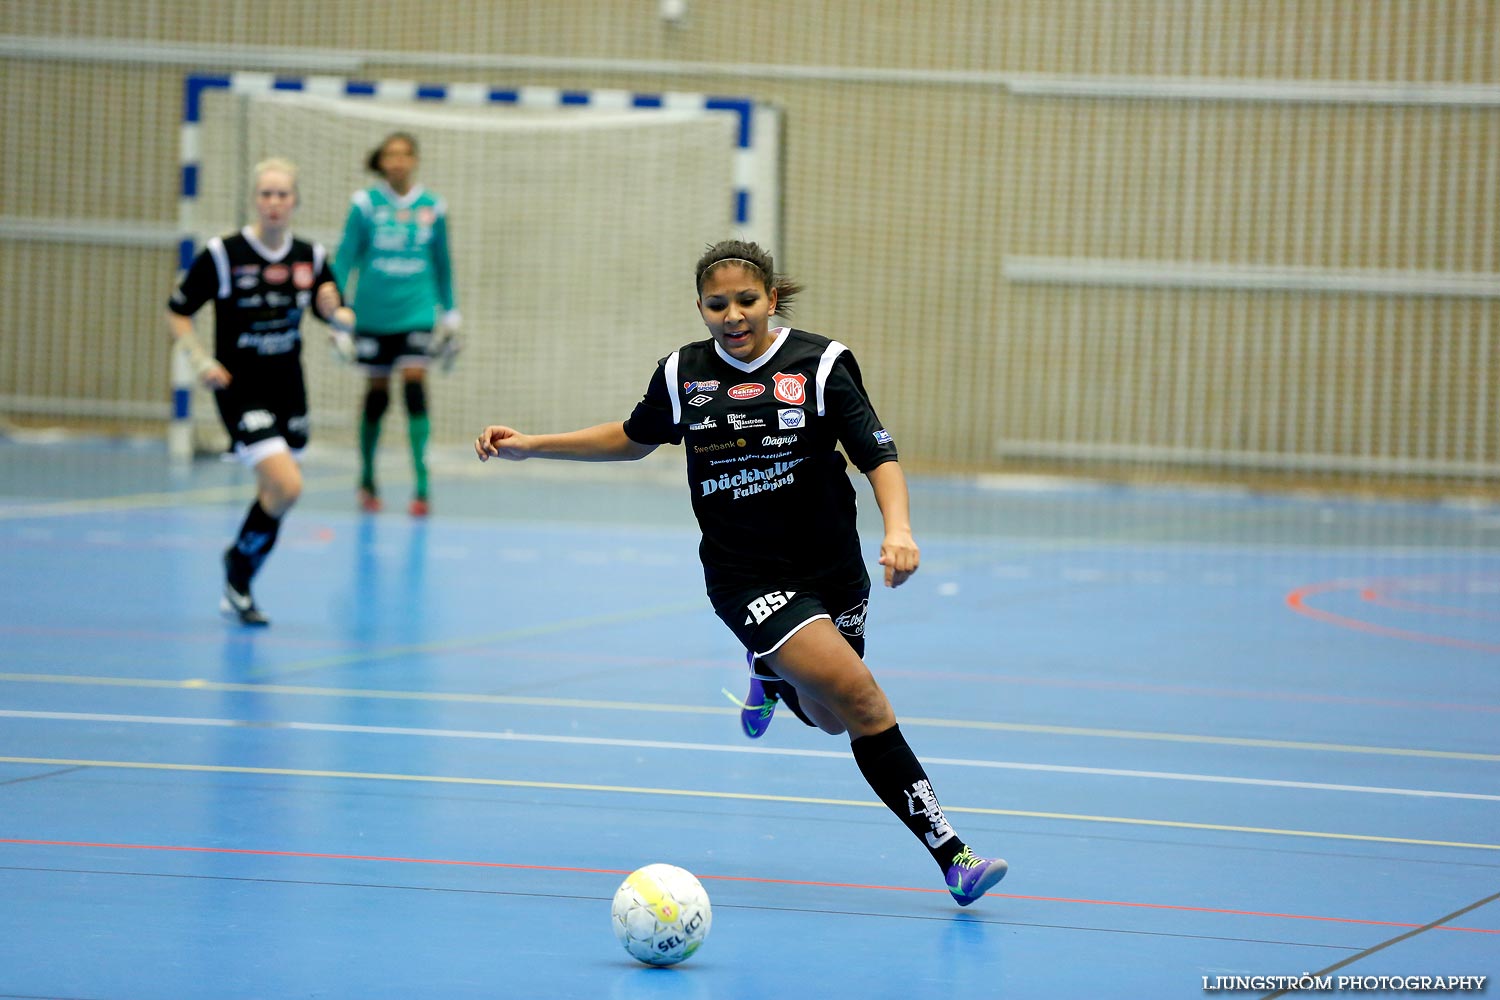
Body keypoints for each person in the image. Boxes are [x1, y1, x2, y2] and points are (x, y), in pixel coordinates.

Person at [475, 239, 1008, 906]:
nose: (733, 315)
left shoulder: (820, 363)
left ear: (772, 299)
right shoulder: (683, 374)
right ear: (700, 307)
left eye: (746, 300)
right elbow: (634, 438)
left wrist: (898, 528)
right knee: (866, 699)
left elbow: (878, 453)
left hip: (833, 568)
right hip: (746, 575)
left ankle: (768, 667)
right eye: (717, 304)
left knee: (833, 719)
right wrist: (534, 444)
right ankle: (954, 856)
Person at [167, 157, 355, 627]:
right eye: (266, 194)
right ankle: (238, 570)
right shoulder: (224, 254)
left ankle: (239, 575)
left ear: (296, 201)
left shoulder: (310, 258)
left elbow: (344, 319)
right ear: (255, 199)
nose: (274, 202)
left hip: (289, 388)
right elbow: (178, 310)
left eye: (283, 194)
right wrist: (199, 360)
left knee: (277, 494)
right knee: (288, 483)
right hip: (239, 388)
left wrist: (336, 316)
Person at [333, 131, 461, 517]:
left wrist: (450, 312)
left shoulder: (432, 207)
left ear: (415, 160)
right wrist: (336, 314)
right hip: (372, 314)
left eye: (405, 154)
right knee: (377, 394)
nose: (398, 162)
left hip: (417, 312)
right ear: (382, 161)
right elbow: (344, 259)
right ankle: (368, 476)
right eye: (390, 155)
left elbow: (443, 263)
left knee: (414, 387)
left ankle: (422, 486)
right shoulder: (365, 205)